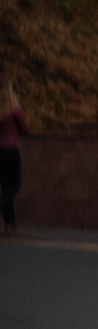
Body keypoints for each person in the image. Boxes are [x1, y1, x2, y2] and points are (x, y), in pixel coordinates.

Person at [0, 81, 25, 234]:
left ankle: (10, 223)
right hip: (11, 150)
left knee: (5, 187)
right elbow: (25, 127)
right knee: (14, 186)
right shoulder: (14, 109)